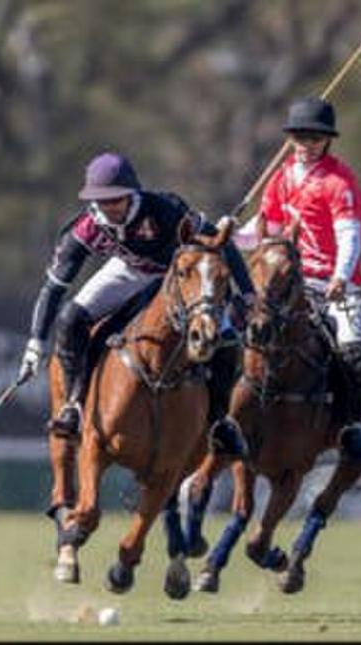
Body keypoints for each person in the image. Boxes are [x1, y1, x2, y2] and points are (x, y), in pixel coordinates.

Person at [17, 151, 256, 458]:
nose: (109, 207)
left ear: (132, 194)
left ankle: (219, 423)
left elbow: (222, 244)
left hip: (176, 278)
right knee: (70, 318)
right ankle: (74, 406)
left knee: (226, 339)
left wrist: (248, 293)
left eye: (115, 199)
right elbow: (55, 286)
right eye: (101, 200)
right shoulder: (86, 229)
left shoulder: (164, 209)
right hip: (128, 270)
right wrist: (36, 342)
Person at [232, 96, 361, 463]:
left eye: (315, 138)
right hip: (285, 281)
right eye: (300, 137)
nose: (306, 145)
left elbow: (350, 235)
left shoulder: (338, 181)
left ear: (327, 140)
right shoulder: (280, 179)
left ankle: (350, 426)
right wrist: (230, 234)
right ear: (290, 138)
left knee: (354, 349)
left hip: (331, 283)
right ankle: (224, 416)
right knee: (232, 329)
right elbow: (268, 231)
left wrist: (341, 276)